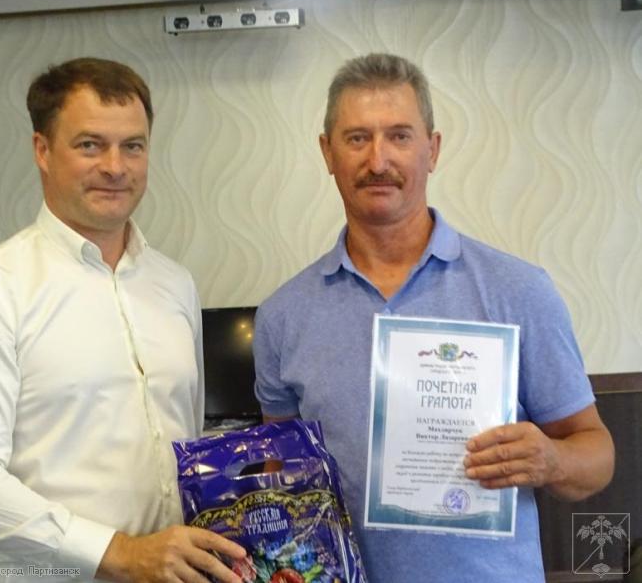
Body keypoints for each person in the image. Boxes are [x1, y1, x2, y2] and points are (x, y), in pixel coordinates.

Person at [253, 53, 615, 582]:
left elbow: (597, 454)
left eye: (399, 136)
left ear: (433, 149)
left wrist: (551, 461)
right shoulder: (282, 316)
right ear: (327, 152)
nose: (378, 159)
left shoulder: (519, 290)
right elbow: (280, 472)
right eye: (357, 138)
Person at [0, 57, 244, 583]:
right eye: (90, 145)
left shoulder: (175, 284)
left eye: (133, 146)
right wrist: (121, 553)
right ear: (42, 150)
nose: (115, 167)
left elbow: (187, 442)